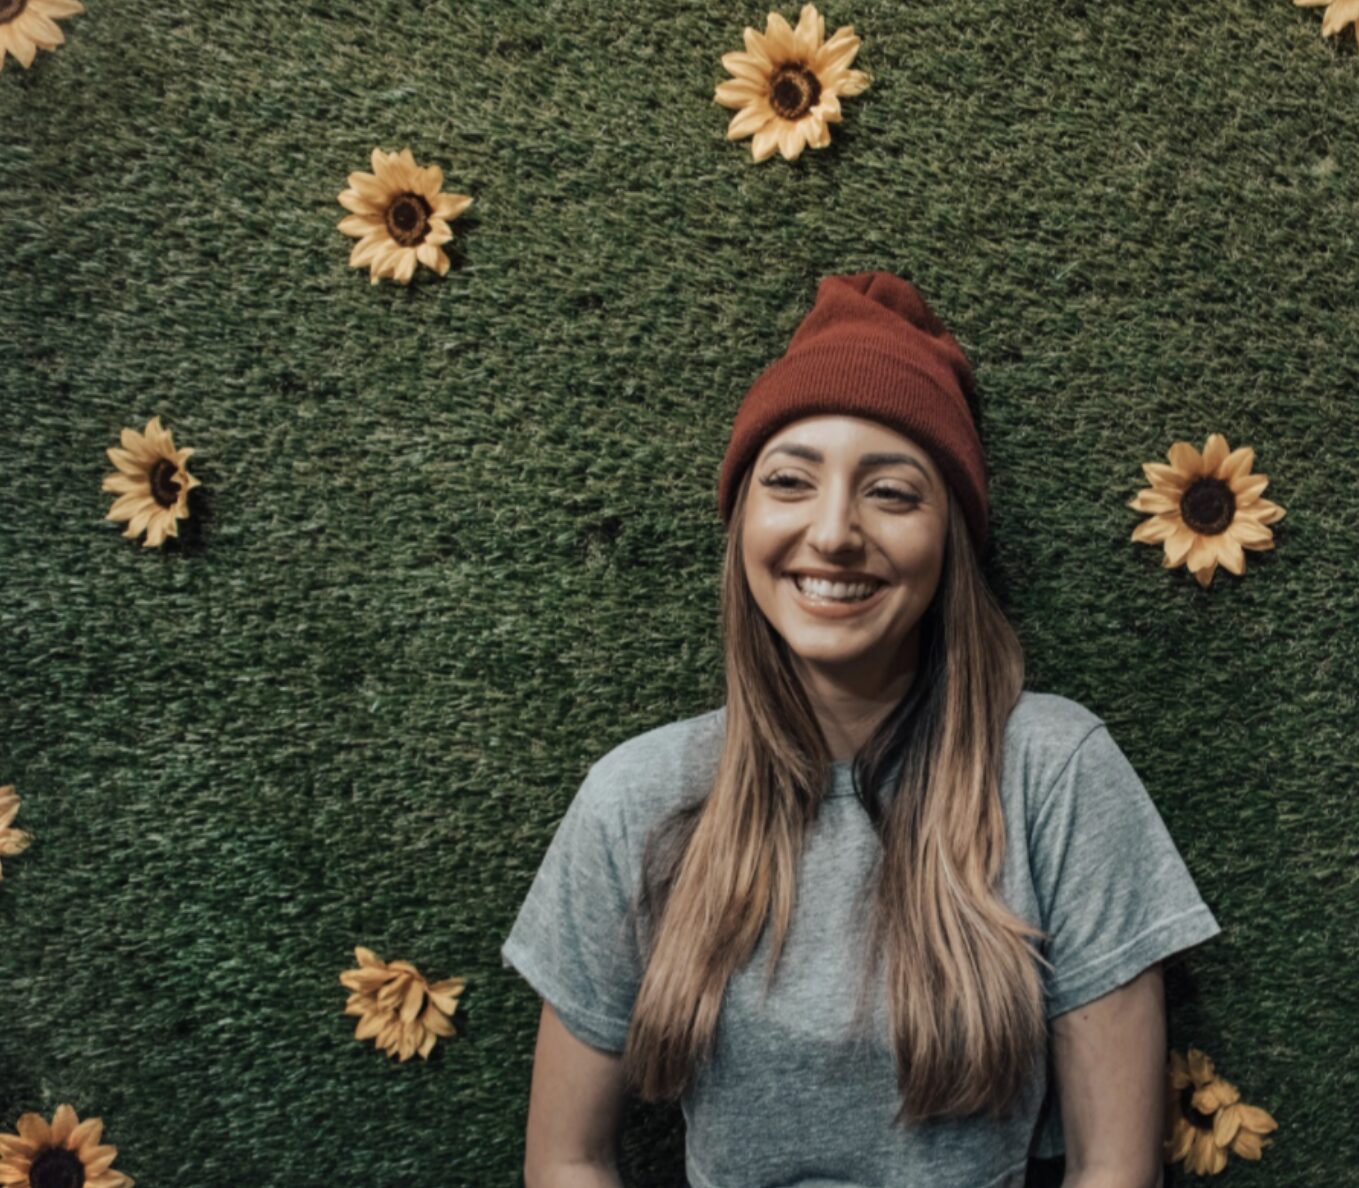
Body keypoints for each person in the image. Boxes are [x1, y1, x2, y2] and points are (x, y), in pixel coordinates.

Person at [501, 271, 1223, 1188]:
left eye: (891, 492)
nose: (835, 531)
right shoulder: (633, 797)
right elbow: (565, 1159)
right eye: (790, 481)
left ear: (949, 539)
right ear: (744, 519)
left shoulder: (1055, 771)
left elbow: (1114, 1170)